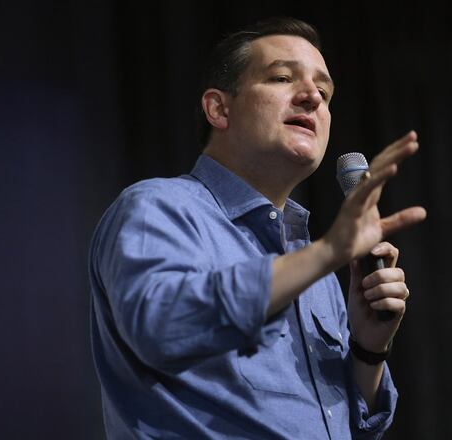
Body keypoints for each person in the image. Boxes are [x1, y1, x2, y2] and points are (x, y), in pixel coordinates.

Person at [89, 16, 426, 439]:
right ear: (218, 108)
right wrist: (324, 255)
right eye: (283, 78)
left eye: (324, 92)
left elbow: (356, 427)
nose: (312, 98)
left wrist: (368, 347)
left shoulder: (310, 262)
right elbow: (159, 330)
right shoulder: (157, 208)